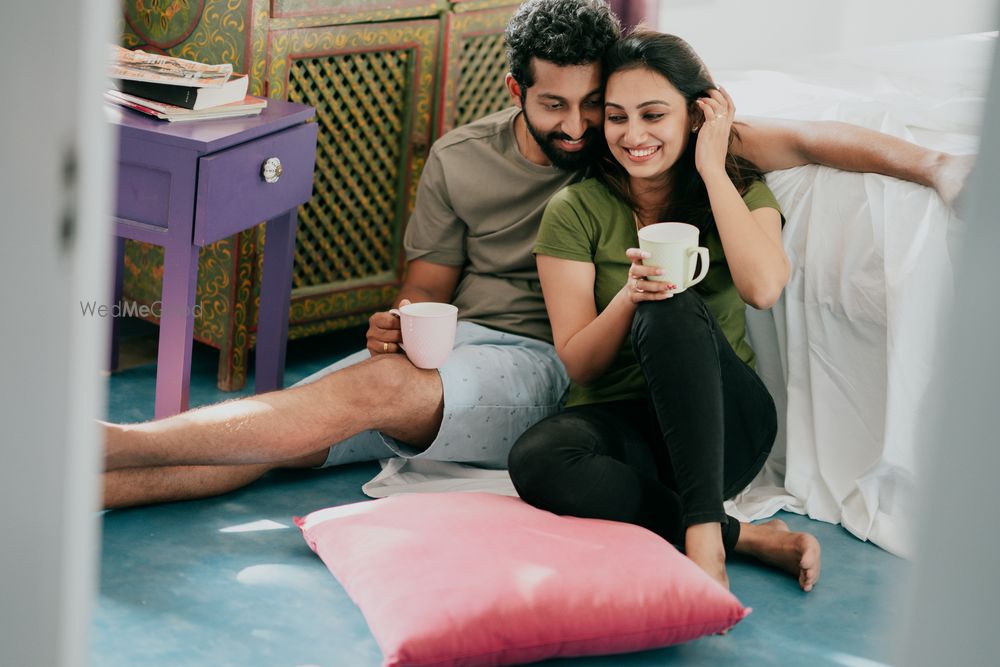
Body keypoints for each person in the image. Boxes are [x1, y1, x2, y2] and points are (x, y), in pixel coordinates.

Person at [102, 0, 971, 509]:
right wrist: (398, 320)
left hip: (557, 366)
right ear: (515, 89)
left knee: (347, 399)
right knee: (292, 435)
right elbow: (425, 287)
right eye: (557, 106)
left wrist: (936, 165)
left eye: (597, 105)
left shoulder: (633, 144)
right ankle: (84, 482)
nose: (585, 127)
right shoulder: (459, 158)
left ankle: (97, 442)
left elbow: (814, 140)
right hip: (462, 357)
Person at [507, 29, 830, 592]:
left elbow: (764, 287)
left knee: (670, 308)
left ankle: (704, 538)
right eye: (616, 116)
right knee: (537, 458)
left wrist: (711, 167)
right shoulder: (575, 208)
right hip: (628, 424)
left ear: (694, 114)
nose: (633, 136)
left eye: (654, 115)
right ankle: (743, 536)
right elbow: (581, 366)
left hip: (724, 425)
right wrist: (629, 297)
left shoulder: (737, 191)